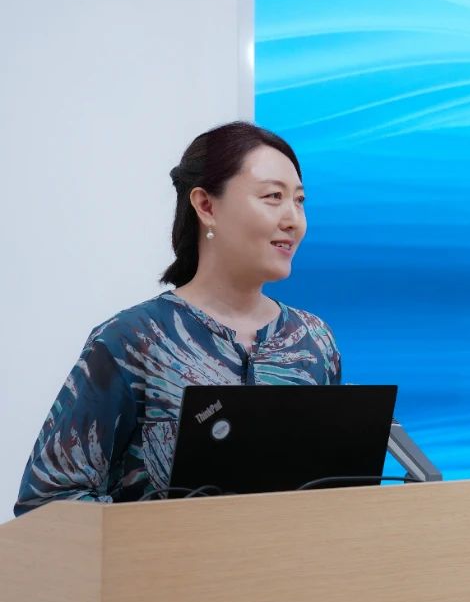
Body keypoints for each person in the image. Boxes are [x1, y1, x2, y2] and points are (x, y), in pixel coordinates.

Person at [14, 121, 341, 521]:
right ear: (206, 206)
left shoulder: (312, 341)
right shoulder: (134, 339)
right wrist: (163, 534)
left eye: (300, 200)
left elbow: (332, 491)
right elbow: (47, 501)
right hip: (161, 562)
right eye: (273, 197)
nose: (293, 219)